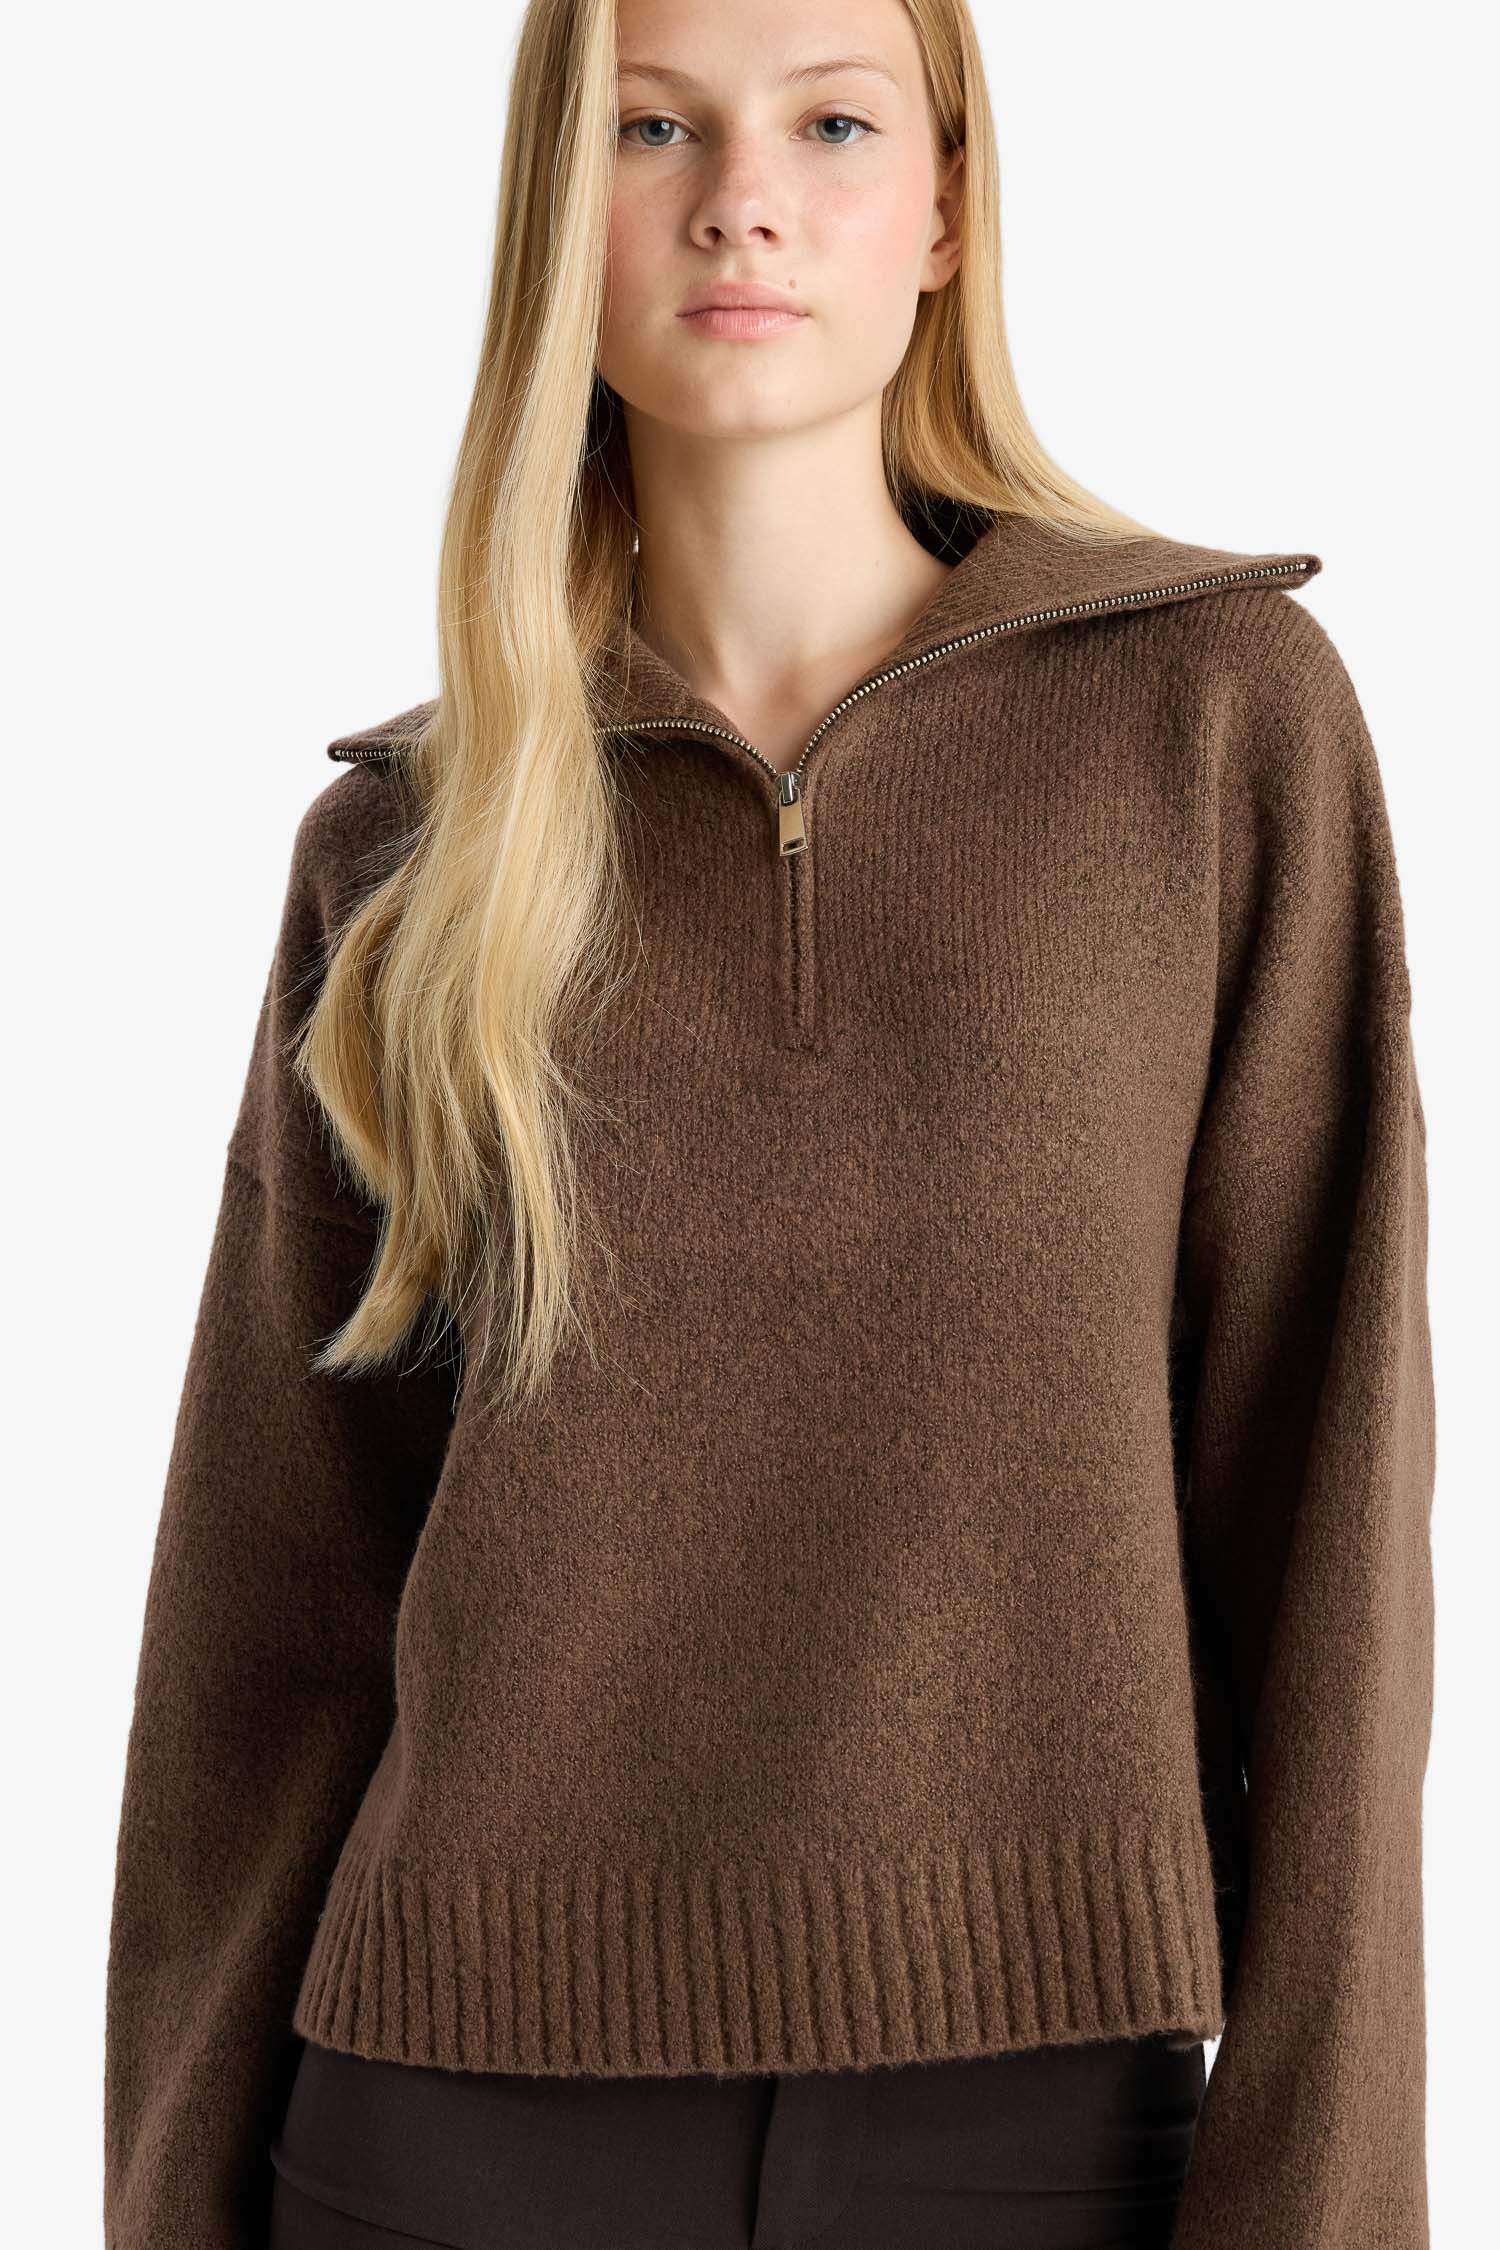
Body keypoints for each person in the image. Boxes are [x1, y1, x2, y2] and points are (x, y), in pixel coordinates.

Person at [102, 1, 1436, 2246]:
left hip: (1041, 2138)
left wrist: (1323, 2197)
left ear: (946, 207)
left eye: (831, 122)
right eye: (654, 128)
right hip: (437, 2144)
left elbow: (1337, 1533)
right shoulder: (404, 846)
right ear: (559, 208)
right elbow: (265, 1619)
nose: (743, 201)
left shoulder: (1215, 729)